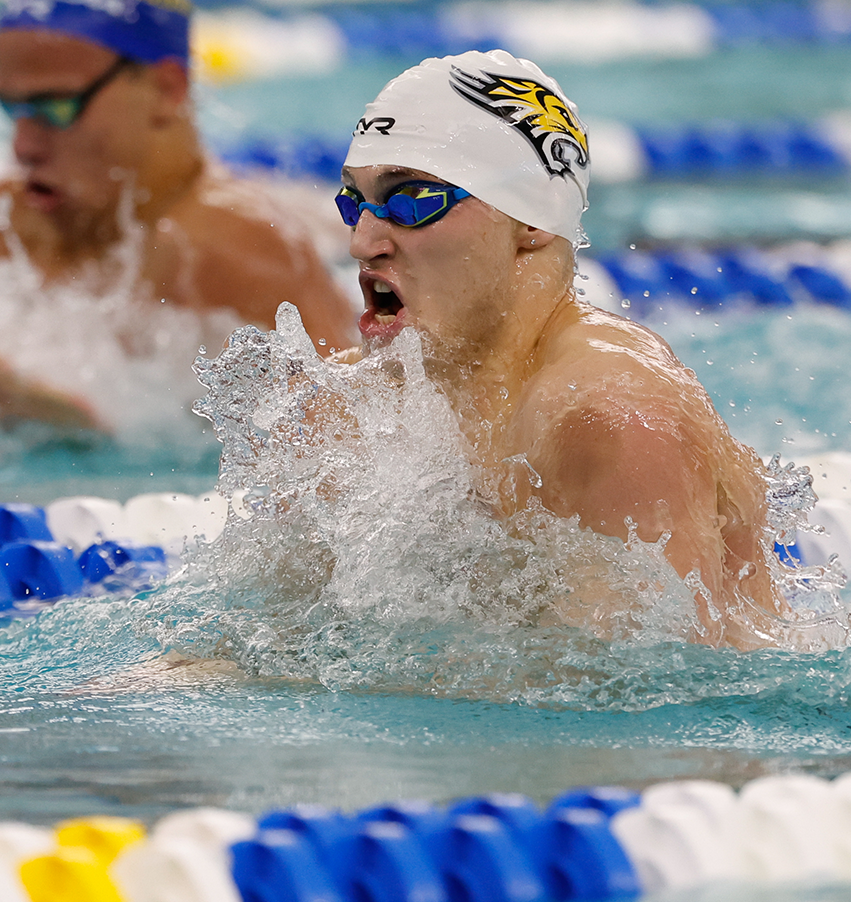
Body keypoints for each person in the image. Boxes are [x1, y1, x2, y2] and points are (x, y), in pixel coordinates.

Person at [333, 50, 781, 648]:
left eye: (413, 200)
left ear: (531, 220)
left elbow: (654, 691)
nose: (363, 242)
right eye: (353, 203)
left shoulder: (613, 421)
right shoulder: (357, 405)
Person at [0, 0, 359, 444]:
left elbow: (350, 454)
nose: (22, 147)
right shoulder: (6, 221)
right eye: (11, 109)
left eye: (55, 106)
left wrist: (84, 431)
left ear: (166, 89)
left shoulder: (246, 252)